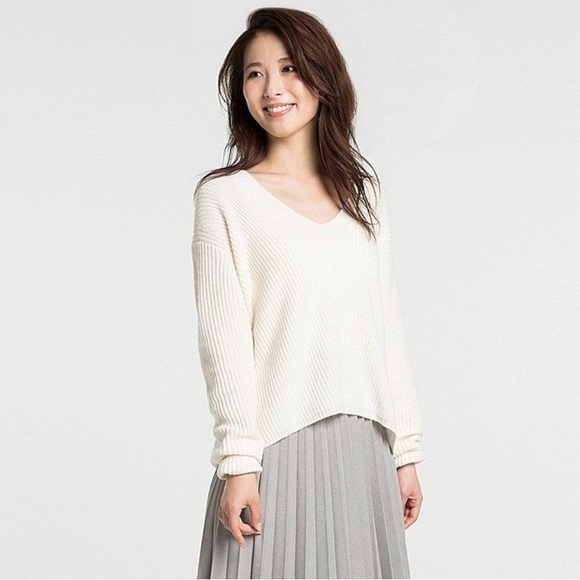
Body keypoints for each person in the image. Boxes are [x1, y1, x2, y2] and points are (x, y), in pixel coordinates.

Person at [191, 7, 425, 579]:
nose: (272, 88)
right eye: (255, 73)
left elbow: (385, 325)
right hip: (274, 448)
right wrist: (239, 461)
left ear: (323, 76)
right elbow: (224, 341)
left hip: (364, 447)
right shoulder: (226, 198)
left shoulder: (364, 194)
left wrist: (405, 451)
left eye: (290, 68)